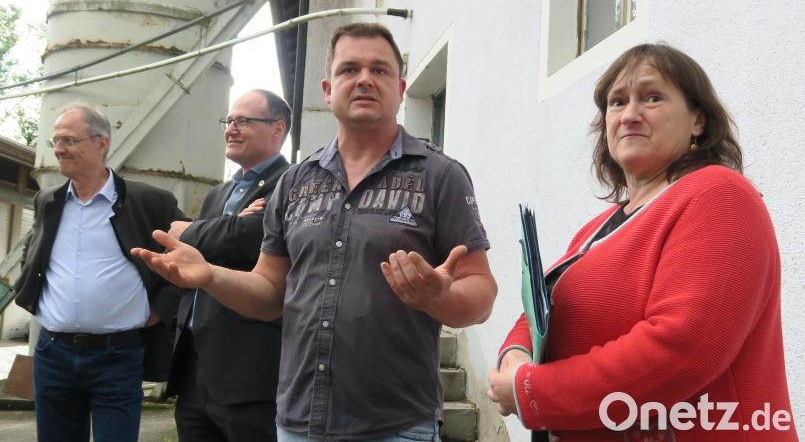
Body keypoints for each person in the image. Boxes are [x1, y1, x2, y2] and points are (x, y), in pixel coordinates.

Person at [132, 22, 498, 441]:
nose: (363, 78)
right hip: (298, 421)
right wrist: (212, 276)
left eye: (379, 70)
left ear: (400, 88)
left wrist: (442, 298)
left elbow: (481, 293)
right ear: (328, 88)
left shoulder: (439, 176)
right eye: (349, 69)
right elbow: (270, 294)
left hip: (395, 424)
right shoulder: (294, 182)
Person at [487, 43, 797, 441]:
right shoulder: (597, 227)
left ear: (698, 120)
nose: (630, 115)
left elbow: (681, 348)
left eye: (652, 97)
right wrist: (516, 358)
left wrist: (533, 390)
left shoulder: (718, 195)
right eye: (617, 103)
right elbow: (540, 310)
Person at [14, 102, 186, 442]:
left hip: (118, 356)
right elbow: (30, 252)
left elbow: (191, 255)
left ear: (101, 142)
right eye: (55, 141)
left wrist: (160, 310)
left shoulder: (148, 201)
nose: (59, 149)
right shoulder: (48, 201)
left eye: (68, 140)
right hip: (54, 354)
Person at [165, 89, 291, 442]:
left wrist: (193, 231)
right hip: (194, 371)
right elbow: (187, 251)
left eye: (243, 121)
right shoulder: (217, 195)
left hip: (248, 374)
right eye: (229, 121)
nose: (231, 129)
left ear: (277, 128)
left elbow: (251, 238)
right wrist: (227, 230)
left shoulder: (290, 183)